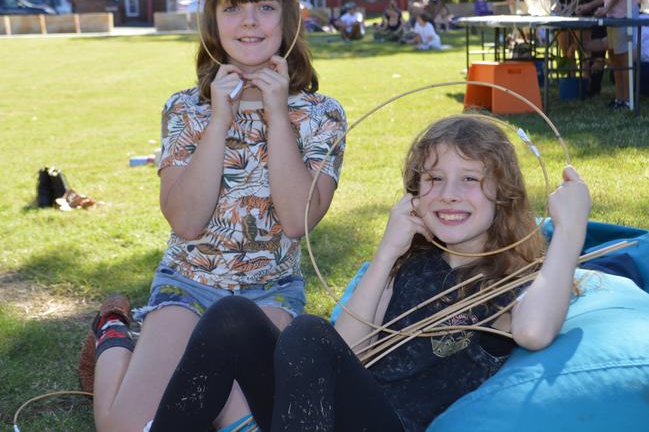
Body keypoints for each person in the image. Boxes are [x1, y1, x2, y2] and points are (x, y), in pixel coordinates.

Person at [148, 115, 591, 432]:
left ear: (504, 195)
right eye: (434, 179)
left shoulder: (507, 281)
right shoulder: (410, 264)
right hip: (320, 415)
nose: (449, 195)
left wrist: (569, 231)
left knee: (306, 331)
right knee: (233, 316)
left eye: (470, 180)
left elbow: (534, 331)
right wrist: (387, 254)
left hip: (392, 423)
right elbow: (346, 350)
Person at [77, 0, 347, 432]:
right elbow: (185, 222)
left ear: (287, 17)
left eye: (264, 7)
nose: (248, 21)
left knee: (238, 420)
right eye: (232, 9)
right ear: (212, 22)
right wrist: (219, 120)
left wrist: (276, 113)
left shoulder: (323, 114)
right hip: (189, 285)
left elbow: (295, 221)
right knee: (123, 428)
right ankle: (114, 335)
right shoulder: (185, 108)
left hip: (269, 291)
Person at [594, 0, 640, 110]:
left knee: (622, 58)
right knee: (614, 56)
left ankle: (627, 99)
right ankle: (620, 98)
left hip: (622, 13)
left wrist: (607, 8)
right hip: (615, 13)